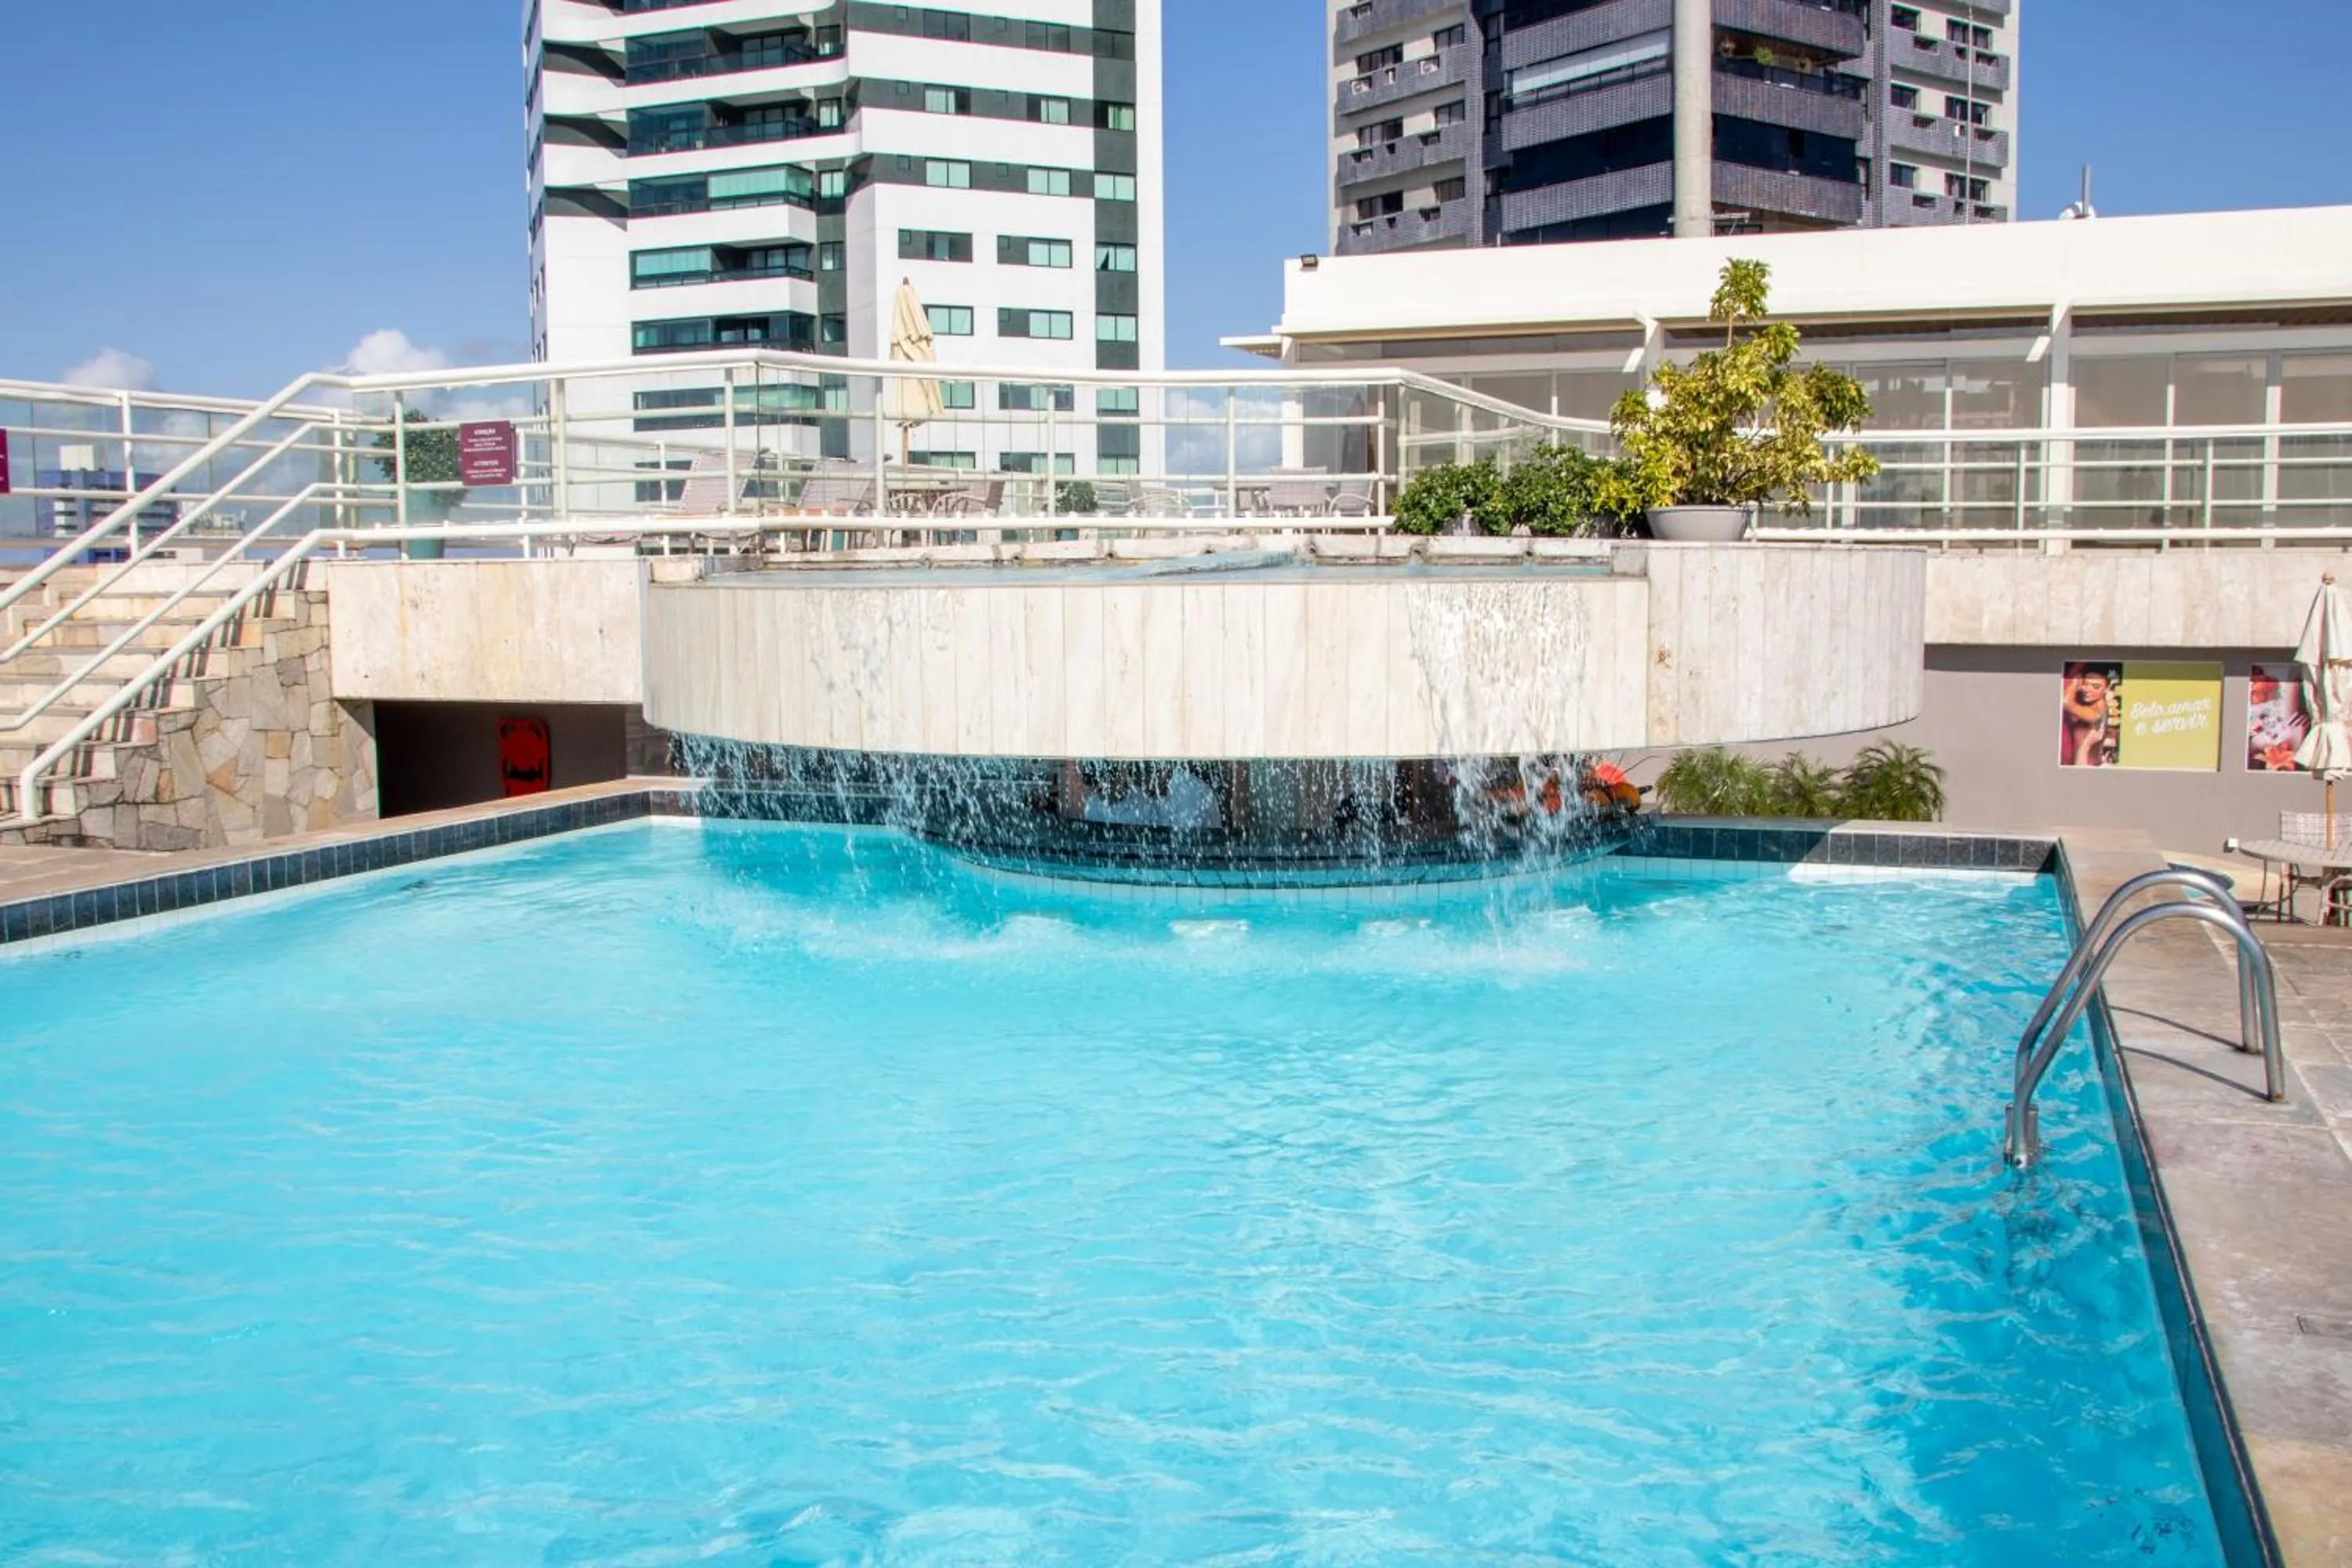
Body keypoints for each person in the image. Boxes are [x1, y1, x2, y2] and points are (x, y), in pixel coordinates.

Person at [2061, 662, 2122, 768]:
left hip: (2086, 768)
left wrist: (2075, 682)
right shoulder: (2087, 705)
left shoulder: (2098, 713)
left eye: (2096, 686)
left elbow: (2066, 703)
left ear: (2107, 688)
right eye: (2085, 684)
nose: (2087, 690)